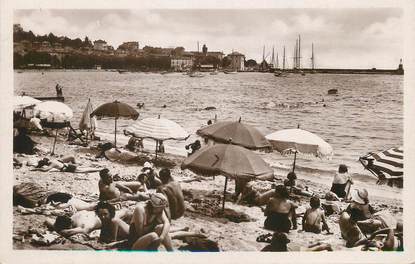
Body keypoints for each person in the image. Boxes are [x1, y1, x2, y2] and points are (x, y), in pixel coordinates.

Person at [31, 156, 101, 173]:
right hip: (68, 166)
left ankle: (99, 169)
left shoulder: (52, 163)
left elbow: (46, 170)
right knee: (84, 168)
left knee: (85, 170)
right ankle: (98, 168)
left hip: (69, 168)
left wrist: (37, 169)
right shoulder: (53, 161)